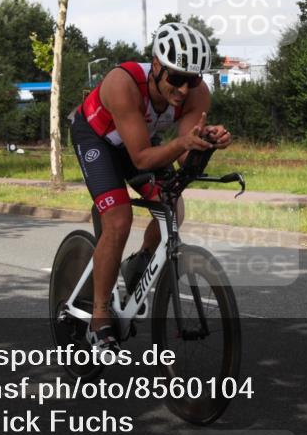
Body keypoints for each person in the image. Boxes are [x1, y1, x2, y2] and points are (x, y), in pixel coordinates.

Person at [69, 22, 232, 352]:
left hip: (138, 143)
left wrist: (205, 143)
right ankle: (99, 317)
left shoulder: (197, 94)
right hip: (97, 140)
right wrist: (184, 143)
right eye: (176, 78)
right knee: (118, 220)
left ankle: (140, 260)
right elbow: (143, 159)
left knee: (173, 205)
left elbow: (183, 154)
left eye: (193, 79)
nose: (184, 89)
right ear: (156, 66)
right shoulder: (122, 83)